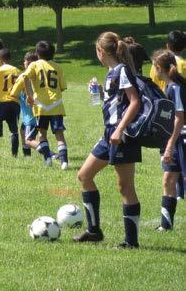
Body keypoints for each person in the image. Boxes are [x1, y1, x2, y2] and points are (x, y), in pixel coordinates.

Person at [74, 32, 142, 249]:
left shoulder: (122, 70)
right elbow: (117, 102)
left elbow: (134, 102)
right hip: (109, 135)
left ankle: (131, 242)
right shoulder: (112, 73)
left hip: (121, 137)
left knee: (125, 187)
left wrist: (119, 130)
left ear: (100, 51)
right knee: (84, 175)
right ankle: (94, 231)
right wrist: (100, 92)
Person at [17, 41, 68, 169]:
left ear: (37, 54)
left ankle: (48, 159)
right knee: (59, 135)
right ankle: (64, 162)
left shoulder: (34, 64)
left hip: (41, 106)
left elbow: (25, 77)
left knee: (42, 134)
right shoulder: (58, 67)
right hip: (56, 105)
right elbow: (62, 87)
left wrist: (29, 95)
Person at [151, 50, 185, 231]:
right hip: (174, 140)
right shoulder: (168, 86)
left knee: (174, 179)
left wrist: (170, 145)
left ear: (158, 68)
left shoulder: (176, 87)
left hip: (181, 140)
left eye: (153, 67)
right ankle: (166, 225)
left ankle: (166, 225)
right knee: (168, 180)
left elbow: (180, 119)